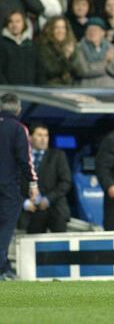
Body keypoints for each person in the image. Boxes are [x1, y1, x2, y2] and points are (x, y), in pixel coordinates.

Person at [0, 93, 38, 281]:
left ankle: (5, 269)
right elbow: (25, 160)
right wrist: (33, 182)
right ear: (18, 110)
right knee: (6, 228)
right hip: (7, 187)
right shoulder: (18, 129)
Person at [18, 123, 72, 234]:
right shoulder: (19, 158)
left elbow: (66, 182)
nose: (43, 139)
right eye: (39, 135)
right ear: (30, 138)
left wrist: (48, 199)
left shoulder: (58, 156)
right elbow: (11, 185)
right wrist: (24, 202)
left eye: (46, 136)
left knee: (61, 246)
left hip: (55, 208)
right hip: (30, 211)